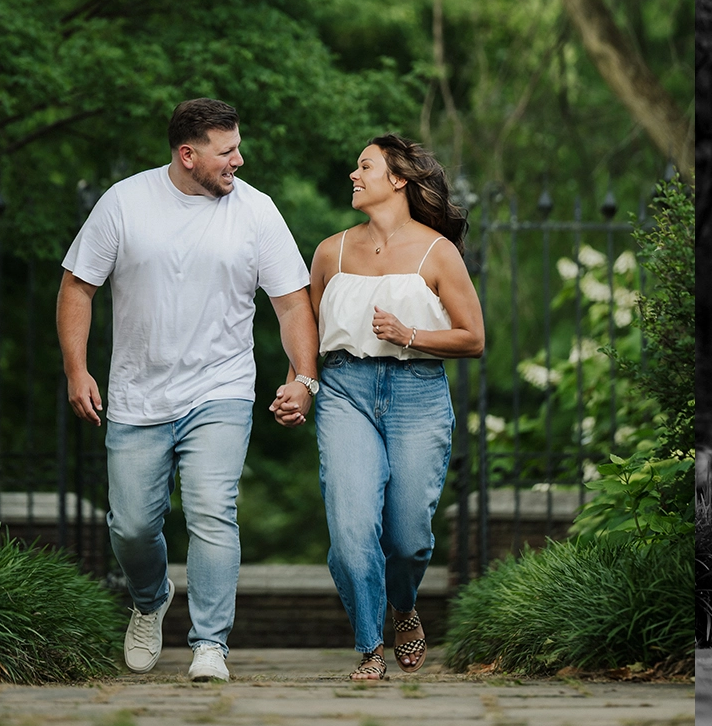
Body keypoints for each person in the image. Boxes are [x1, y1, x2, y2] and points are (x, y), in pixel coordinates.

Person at [58, 98, 320, 682]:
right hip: (137, 394)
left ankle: (210, 644)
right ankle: (150, 600)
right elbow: (77, 287)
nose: (239, 160)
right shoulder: (124, 203)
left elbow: (291, 302)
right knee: (130, 526)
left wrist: (303, 377)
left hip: (220, 388)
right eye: (226, 152)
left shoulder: (256, 212)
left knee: (211, 509)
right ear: (188, 154)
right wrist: (77, 370)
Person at [281, 134, 486, 680]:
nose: (353, 174)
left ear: (397, 179)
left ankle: (404, 607)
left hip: (417, 393)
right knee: (351, 531)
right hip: (346, 391)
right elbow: (308, 331)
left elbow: (473, 338)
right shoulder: (331, 251)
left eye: (364, 166)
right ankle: (370, 646)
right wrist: (299, 383)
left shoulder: (437, 252)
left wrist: (411, 334)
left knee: (410, 537)